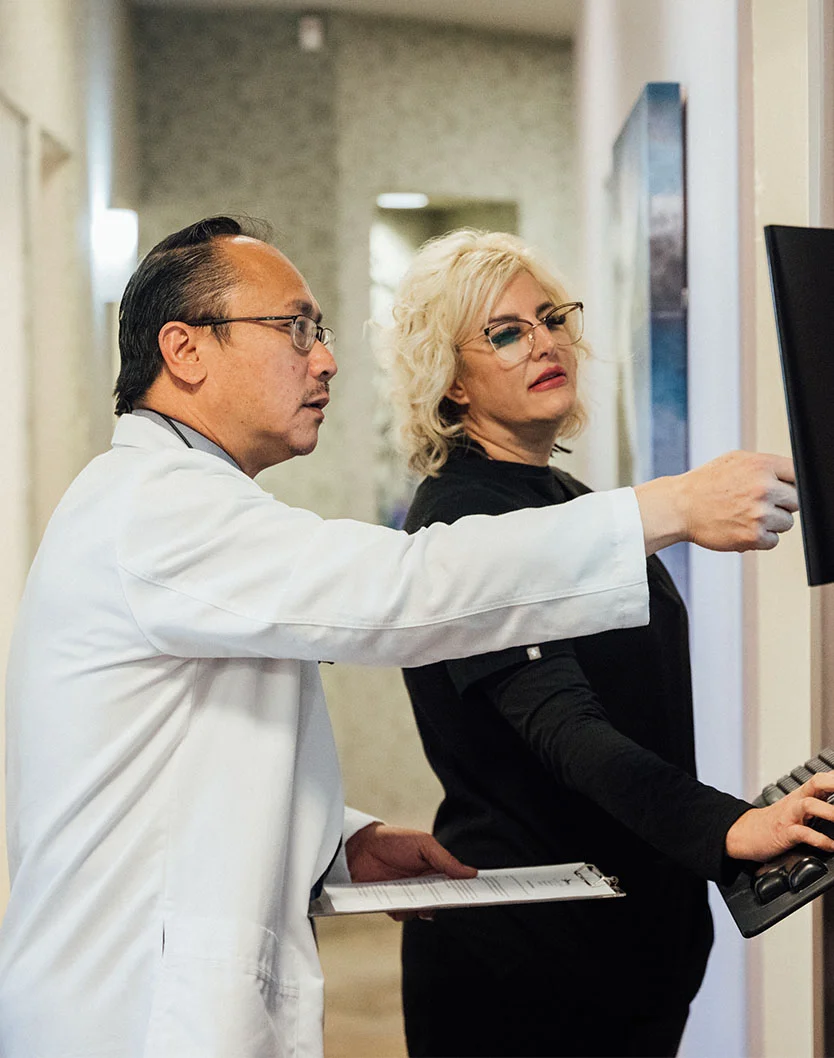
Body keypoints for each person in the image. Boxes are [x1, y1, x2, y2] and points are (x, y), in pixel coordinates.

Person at [0, 216, 810, 1058]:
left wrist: (340, 840)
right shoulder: (154, 509)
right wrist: (670, 508)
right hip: (129, 1015)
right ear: (186, 349)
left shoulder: (184, 507)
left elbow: (183, 756)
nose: (326, 358)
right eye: (296, 328)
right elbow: (404, 592)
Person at [387, 228, 834, 1058]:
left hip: (623, 952)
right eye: (505, 332)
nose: (545, 341)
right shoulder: (462, 518)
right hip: (523, 971)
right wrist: (731, 830)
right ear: (448, 382)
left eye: (549, 317)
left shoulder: (563, 496)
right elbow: (568, 730)